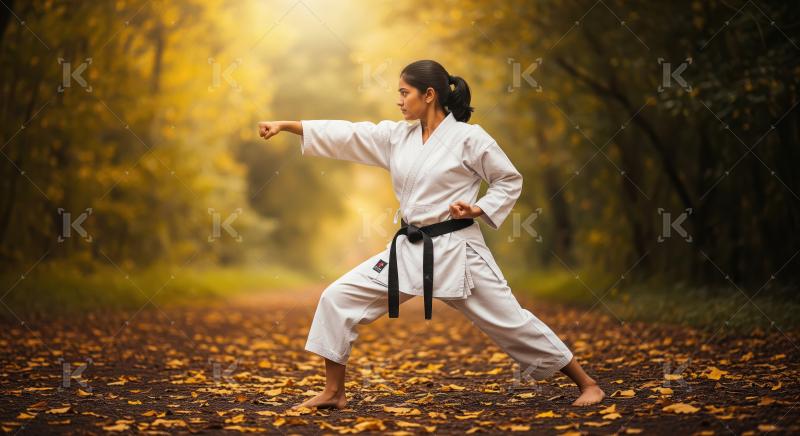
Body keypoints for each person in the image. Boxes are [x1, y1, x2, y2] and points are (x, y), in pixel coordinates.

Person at [257, 60, 605, 408]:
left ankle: (587, 384)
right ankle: (334, 392)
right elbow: (350, 133)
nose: (399, 100)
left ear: (429, 95)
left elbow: (507, 179)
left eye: (404, 93)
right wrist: (288, 126)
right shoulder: (398, 137)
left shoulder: (470, 138)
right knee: (337, 297)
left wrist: (479, 208)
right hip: (410, 249)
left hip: (459, 252)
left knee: (510, 322)